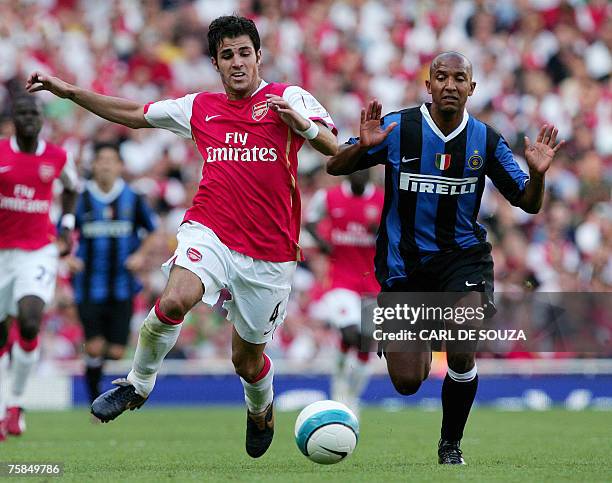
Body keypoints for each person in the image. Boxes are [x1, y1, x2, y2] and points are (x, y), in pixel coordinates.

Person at [26, 15, 337, 457]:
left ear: (259, 56)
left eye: (244, 53)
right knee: (172, 300)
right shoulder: (199, 107)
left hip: (269, 253)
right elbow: (135, 114)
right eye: (226, 56)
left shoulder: (288, 97)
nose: (237, 63)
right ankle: (138, 383)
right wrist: (71, 92)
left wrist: (302, 124)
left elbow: (333, 147)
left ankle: (260, 406)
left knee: (246, 362)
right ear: (215, 62)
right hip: (210, 230)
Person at [326, 52, 564, 465]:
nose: (450, 85)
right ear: (428, 85)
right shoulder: (399, 127)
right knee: (406, 382)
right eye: (441, 77)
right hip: (404, 267)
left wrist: (538, 174)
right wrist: (360, 149)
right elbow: (334, 166)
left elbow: (528, 202)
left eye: (459, 78)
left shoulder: (486, 140)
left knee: (461, 344)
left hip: (463, 259)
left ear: (472, 88)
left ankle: (450, 445)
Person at [0, 95, 78, 440]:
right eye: (23, 113)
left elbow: (72, 188)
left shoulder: (57, 157)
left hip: (38, 251)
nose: (29, 118)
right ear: (13, 119)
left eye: (34, 113)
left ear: (42, 119)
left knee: (30, 320)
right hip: (2, 254)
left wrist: (67, 225)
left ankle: (16, 405)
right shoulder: (1, 152)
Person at [69, 142, 157, 405]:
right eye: (101, 159)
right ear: (93, 165)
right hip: (88, 286)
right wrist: (68, 257)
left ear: (120, 166)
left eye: (111, 160)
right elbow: (60, 232)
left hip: (122, 286)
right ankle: (95, 397)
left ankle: (100, 381)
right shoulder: (80, 198)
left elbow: (153, 231)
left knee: (117, 351)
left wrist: (140, 254)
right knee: (94, 346)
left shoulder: (132, 198)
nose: (106, 164)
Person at [305, 170, 383, 415]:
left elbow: (400, 231)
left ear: (369, 171)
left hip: (373, 283)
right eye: (355, 168)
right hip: (342, 280)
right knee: (350, 332)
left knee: (365, 341)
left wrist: (381, 232)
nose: (359, 173)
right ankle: (339, 387)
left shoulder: (383, 199)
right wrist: (322, 243)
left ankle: (353, 398)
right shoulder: (328, 198)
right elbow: (309, 220)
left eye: (363, 167)